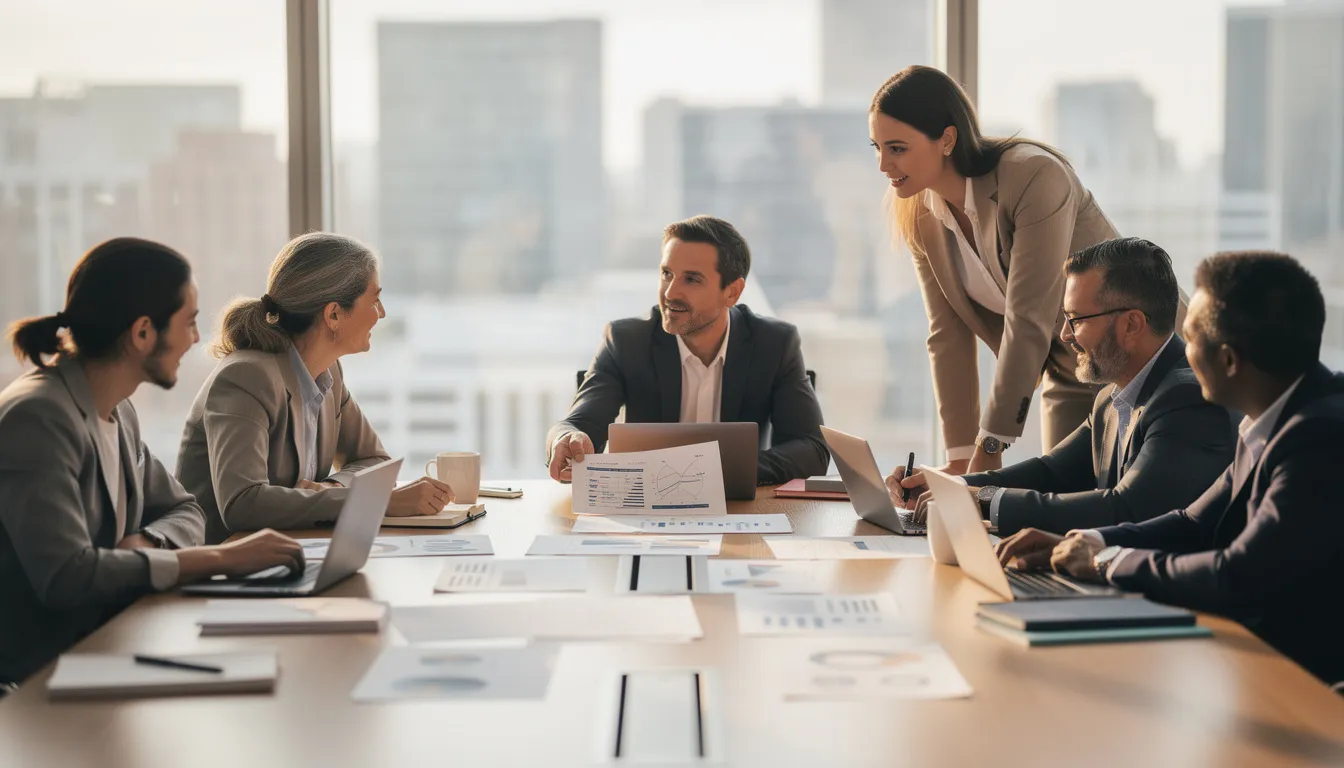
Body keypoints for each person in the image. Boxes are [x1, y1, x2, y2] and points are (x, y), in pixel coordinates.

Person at [996, 252, 1344, 686]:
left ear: (1230, 361)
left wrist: (1107, 561)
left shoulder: (1319, 439)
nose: (1180, 350)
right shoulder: (1271, 417)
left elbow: (1236, 575)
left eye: (1191, 337)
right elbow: (1193, 522)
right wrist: (1087, 541)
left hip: (1310, 689)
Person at [0, 238, 305, 686]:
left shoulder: (118, 409)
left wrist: (146, 542)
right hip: (38, 681)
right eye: (190, 322)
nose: (197, 339)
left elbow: (186, 509)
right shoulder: (39, 417)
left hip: (111, 645)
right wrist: (220, 557)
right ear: (143, 333)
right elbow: (67, 576)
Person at [870, 65, 1181, 476]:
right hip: (1071, 369)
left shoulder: (1033, 175)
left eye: (896, 148)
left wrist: (993, 441)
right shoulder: (919, 214)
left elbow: (1028, 316)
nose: (882, 165)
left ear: (946, 139)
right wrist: (962, 458)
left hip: (1147, 360)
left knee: (1134, 508)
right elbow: (947, 334)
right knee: (1058, 511)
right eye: (876, 147)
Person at [887, 238, 1234, 537]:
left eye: (1076, 320)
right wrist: (952, 488)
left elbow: (1127, 508)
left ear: (1132, 324)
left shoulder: (1190, 399)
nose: (1065, 335)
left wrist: (981, 499)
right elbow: (1050, 472)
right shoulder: (1111, 402)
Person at [176, 233, 453, 544]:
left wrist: (332, 489)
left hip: (288, 555)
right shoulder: (246, 377)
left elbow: (374, 462)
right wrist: (375, 500)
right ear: (334, 314)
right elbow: (243, 504)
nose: (382, 313)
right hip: (222, 573)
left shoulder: (327, 372)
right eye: (374, 300)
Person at [546, 215, 829, 485]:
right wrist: (567, 439)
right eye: (667, 274)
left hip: (740, 511)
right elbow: (575, 424)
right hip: (645, 513)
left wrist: (714, 471)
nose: (670, 293)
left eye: (691, 279)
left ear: (732, 292)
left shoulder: (774, 344)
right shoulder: (627, 341)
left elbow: (812, 450)